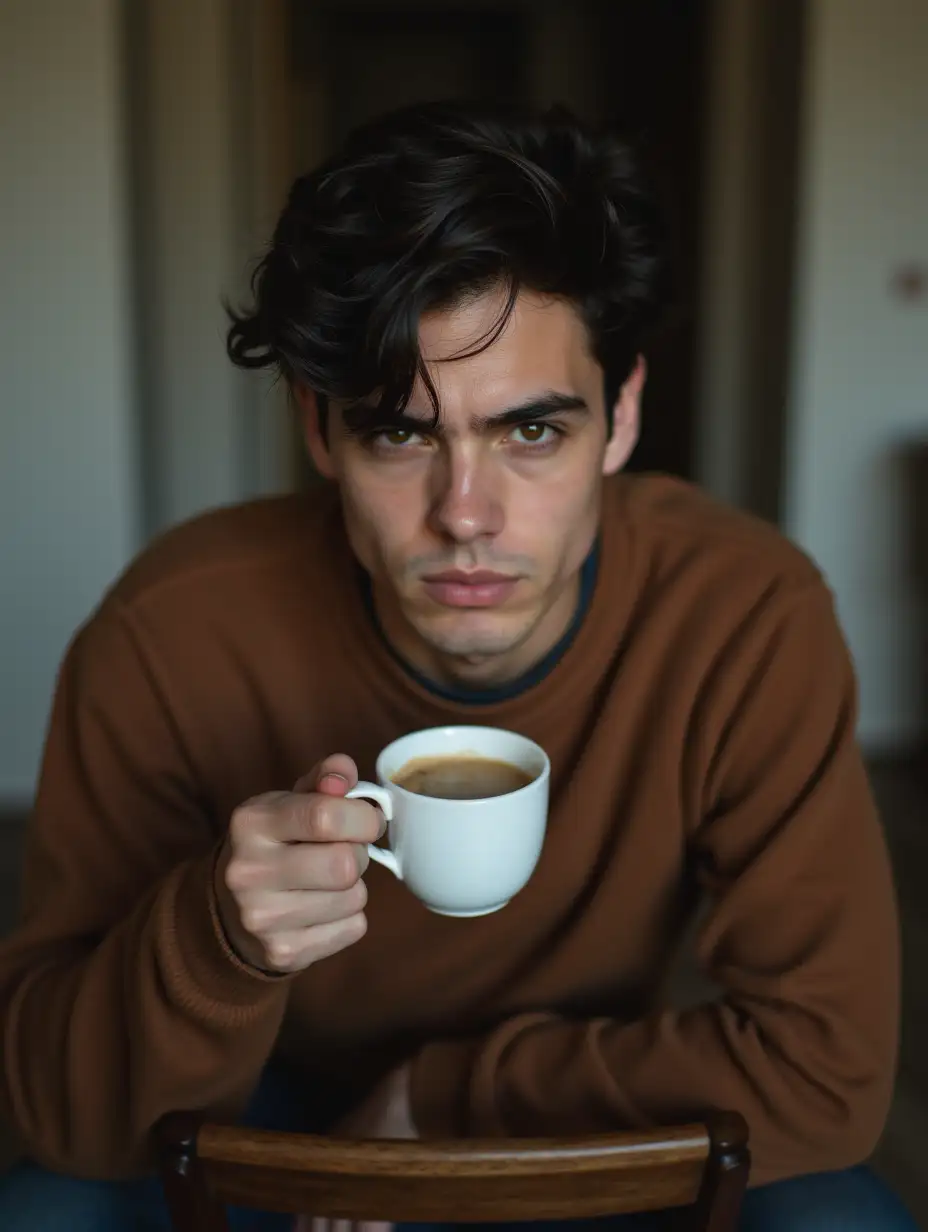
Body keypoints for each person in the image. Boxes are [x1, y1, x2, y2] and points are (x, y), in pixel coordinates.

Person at [0, 100, 916, 1232]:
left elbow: (828, 1075)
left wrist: (440, 1098)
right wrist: (215, 938)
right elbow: (59, 1115)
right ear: (319, 430)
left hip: (581, 1092)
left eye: (532, 431)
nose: (465, 516)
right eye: (401, 433)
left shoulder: (742, 615)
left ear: (621, 417)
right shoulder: (169, 630)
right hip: (261, 1093)